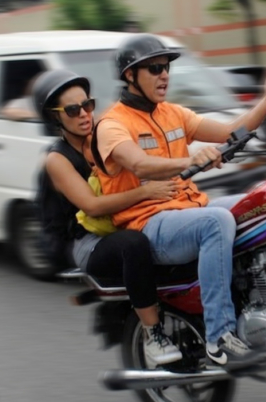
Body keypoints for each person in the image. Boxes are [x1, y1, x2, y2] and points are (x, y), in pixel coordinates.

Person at [92, 33, 266, 368]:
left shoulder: (172, 113)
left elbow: (232, 130)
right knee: (217, 222)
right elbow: (138, 163)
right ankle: (219, 338)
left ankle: (262, 302)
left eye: (167, 67)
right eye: (155, 68)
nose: (164, 75)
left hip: (188, 210)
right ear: (130, 76)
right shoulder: (112, 124)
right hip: (150, 225)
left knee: (260, 202)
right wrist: (190, 160)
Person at [32, 69, 184, 366]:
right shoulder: (57, 159)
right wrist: (147, 192)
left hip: (115, 222)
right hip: (83, 239)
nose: (84, 114)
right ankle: (154, 335)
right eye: (72, 110)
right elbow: (93, 206)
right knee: (134, 244)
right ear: (55, 118)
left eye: (87, 104)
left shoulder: (102, 136)